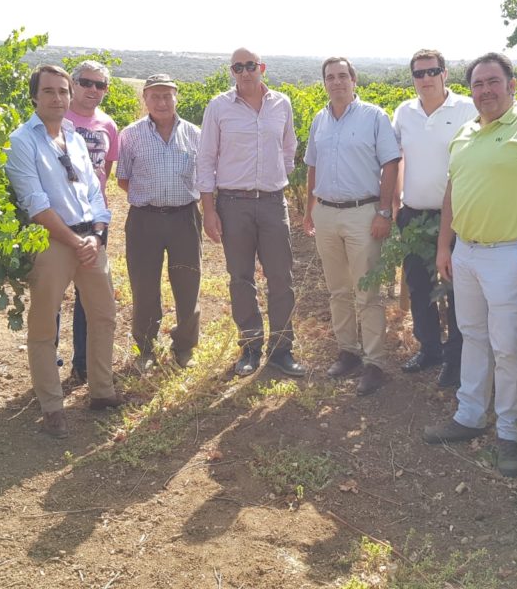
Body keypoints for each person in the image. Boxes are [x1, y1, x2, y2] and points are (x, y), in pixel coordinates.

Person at [423, 52, 517, 477]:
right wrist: (444, 248)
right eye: (477, 84)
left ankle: (510, 432)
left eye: (493, 81)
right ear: (469, 91)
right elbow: (453, 193)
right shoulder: (466, 134)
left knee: (508, 347)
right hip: (466, 253)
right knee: (471, 335)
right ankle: (469, 416)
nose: (485, 90)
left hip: (508, 254)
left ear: (512, 84)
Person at [5, 65, 124, 439]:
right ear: (34, 97)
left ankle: (102, 393)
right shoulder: (22, 141)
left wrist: (98, 234)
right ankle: (52, 406)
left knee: (104, 316)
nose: (58, 98)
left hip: (89, 240)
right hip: (52, 243)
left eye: (62, 91)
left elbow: (93, 191)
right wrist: (75, 241)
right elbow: (35, 204)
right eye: (49, 92)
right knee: (43, 326)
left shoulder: (73, 136)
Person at [197, 48, 305, 378]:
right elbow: (206, 159)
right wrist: (209, 210)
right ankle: (251, 346)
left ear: (262, 67)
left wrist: (278, 178)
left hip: (273, 203)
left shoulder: (281, 104)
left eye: (251, 66)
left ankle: (281, 349)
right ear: (232, 71)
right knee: (241, 279)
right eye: (238, 67)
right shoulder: (218, 107)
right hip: (233, 204)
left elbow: (290, 148)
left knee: (281, 279)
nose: (245, 72)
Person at [303, 57, 401, 396]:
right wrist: (308, 211)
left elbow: (391, 165)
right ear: (324, 82)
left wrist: (384, 212)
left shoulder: (374, 117)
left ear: (354, 80)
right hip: (326, 213)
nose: (336, 82)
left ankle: (375, 363)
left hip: (363, 212)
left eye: (342, 76)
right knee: (337, 290)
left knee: (367, 292)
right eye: (330, 77)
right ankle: (348, 352)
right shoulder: (320, 119)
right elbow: (312, 167)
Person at [392, 49, 477, 388]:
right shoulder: (404, 112)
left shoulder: (467, 110)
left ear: (445, 74)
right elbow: (396, 156)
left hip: (455, 216)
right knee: (418, 285)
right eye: (419, 73)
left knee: (457, 289)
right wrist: (396, 200)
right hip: (413, 214)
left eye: (432, 71)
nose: (425, 79)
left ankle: (455, 360)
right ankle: (429, 349)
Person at [116, 74, 202, 371]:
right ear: (145, 99)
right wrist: (151, 199)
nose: (162, 102)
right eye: (155, 96)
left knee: (188, 282)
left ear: (176, 97)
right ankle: (146, 348)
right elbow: (123, 178)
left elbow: (204, 177)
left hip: (185, 218)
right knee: (144, 286)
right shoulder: (130, 134)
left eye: (167, 95)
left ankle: (184, 347)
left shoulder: (195, 134)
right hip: (144, 221)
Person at [59, 60, 119, 384]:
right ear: (73, 83)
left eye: (100, 85)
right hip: (57, 219)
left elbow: (105, 174)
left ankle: (82, 363)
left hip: (94, 221)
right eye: (86, 82)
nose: (93, 90)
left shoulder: (108, 125)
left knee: (89, 297)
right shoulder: (57, 117)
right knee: (52, 296)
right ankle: (51, 363)